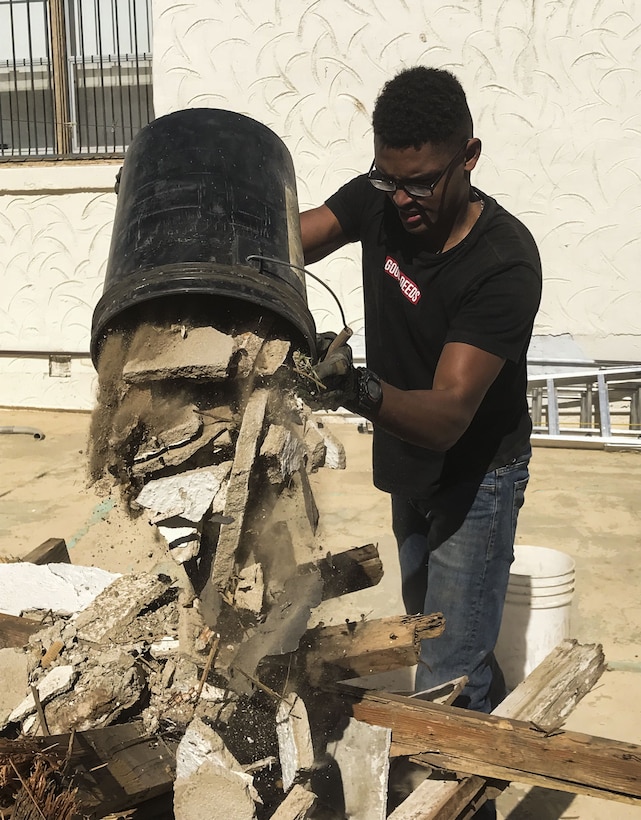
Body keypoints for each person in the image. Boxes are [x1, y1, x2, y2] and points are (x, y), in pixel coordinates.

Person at [299, 67, 541, 719]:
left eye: (422, 182)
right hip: (408, 464)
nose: (402, 200)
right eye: (387, 178)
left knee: (445, 680)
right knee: (440, 636)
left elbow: (446, 417)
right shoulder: (379, 197)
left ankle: (455, 788)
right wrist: (210, 234)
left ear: (468, 157)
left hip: (474, 481)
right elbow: (296, 239)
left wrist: (352, 386)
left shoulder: (502, 264)